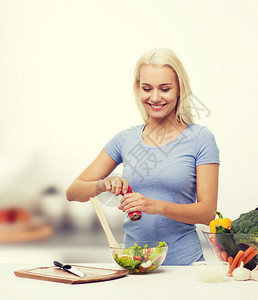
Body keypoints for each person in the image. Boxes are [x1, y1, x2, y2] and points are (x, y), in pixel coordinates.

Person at [66, 48, 220, 265]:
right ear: (138, 89)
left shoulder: (200, 138)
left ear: (179, 90)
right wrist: (102, 184)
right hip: (135, 265)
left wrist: (156, 206)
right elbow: (73, 192)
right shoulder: (125, 139)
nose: (155, 97)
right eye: (147, 88)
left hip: (185, 266)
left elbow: (208, 213)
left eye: (165, 89)